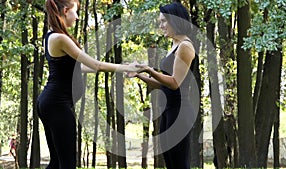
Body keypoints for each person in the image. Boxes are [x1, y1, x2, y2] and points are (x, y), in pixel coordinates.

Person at [38, 0, 140, 169]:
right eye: (75, 12)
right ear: (64, 11)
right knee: (67, 164)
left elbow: (82, 67)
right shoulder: (59, 38)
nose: (77, 17)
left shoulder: (52, 35)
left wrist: (123, 68)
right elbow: (96, 65)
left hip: (49, 103)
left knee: (57, 163)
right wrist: (126, 68)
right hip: (57, 105)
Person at [128, 2, 196, 169]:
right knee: (171, 164)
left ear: (175, 21)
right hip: (169, 111)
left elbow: (174, 83)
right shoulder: (173, 45)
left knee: (180, 165)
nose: (161, 25)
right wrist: (140, 74)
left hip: (179, 112)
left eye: (164, 21)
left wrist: (149, 69)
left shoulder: (185, 46)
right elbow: (163, 85)